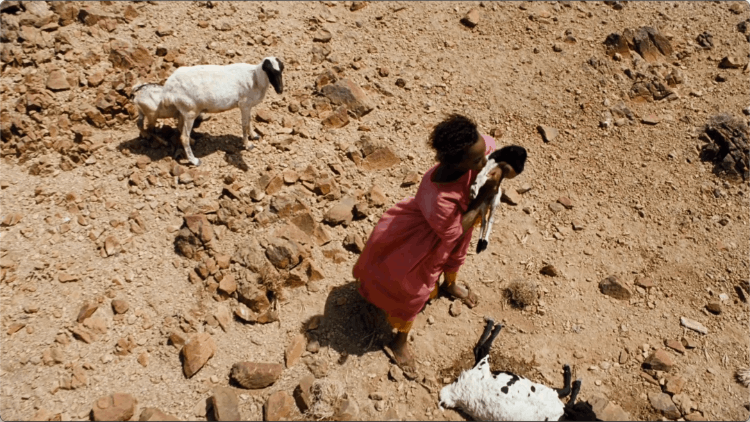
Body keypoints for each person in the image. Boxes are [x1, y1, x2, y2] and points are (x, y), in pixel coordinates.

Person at [352, 113, 527, 372]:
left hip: (458, 226)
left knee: (457, 256)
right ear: (458, 163)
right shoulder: (437, 197)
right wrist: (483, 198)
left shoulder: (474, 153)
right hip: (426, 239)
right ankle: (398, 341)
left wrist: (502, 168)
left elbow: (492, 152)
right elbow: (453, 232)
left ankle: (449, 285)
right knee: (414, 290)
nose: (485, 162)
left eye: (484, 156)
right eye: (478, 160)